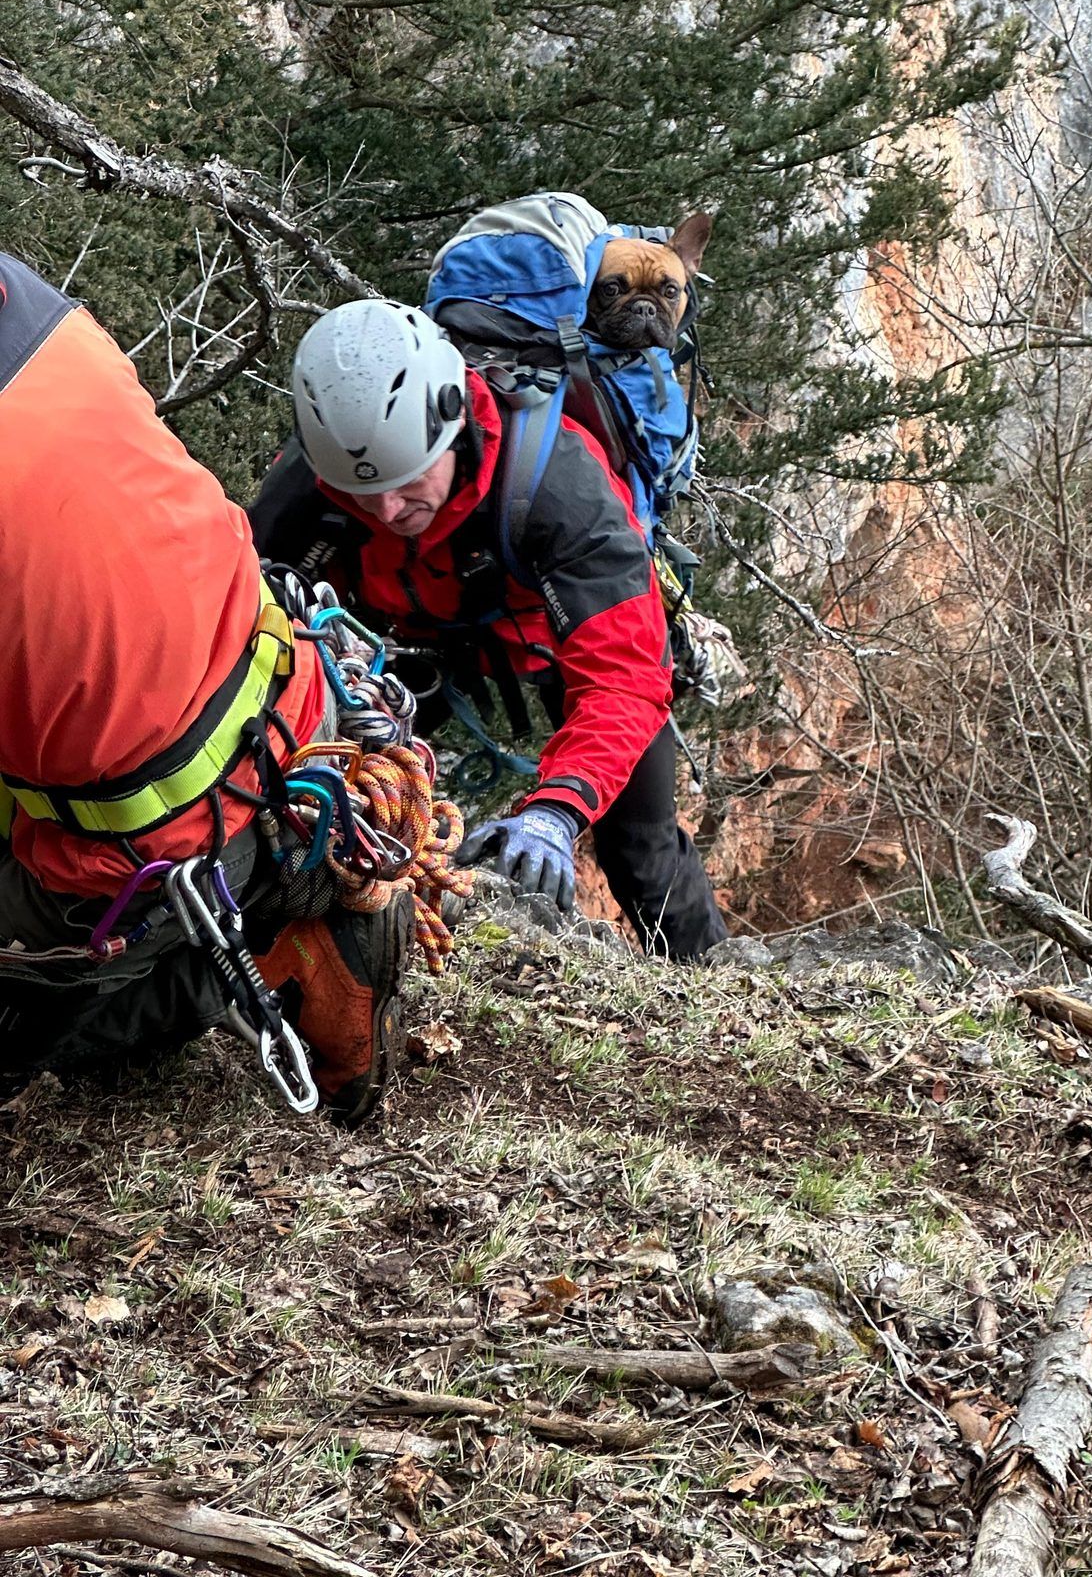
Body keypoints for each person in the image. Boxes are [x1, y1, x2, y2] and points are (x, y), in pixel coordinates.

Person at [0, 252, 413, 1123]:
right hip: (298, 704)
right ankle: (274, 893)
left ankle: (224, 961)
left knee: (48, 1020)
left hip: (142, 852)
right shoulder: (26, 299)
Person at [250, 298, 728, 962]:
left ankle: (711, 986)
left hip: (554, 630)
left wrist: (555, 810)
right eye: (365, 494)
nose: (388, 510)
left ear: (451, 428)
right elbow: (248, 604)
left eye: (408, 481)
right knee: (314, 787)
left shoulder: (560, 485)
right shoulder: (320, 480)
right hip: (419, 645)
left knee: (641, 847)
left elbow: (623, 679)